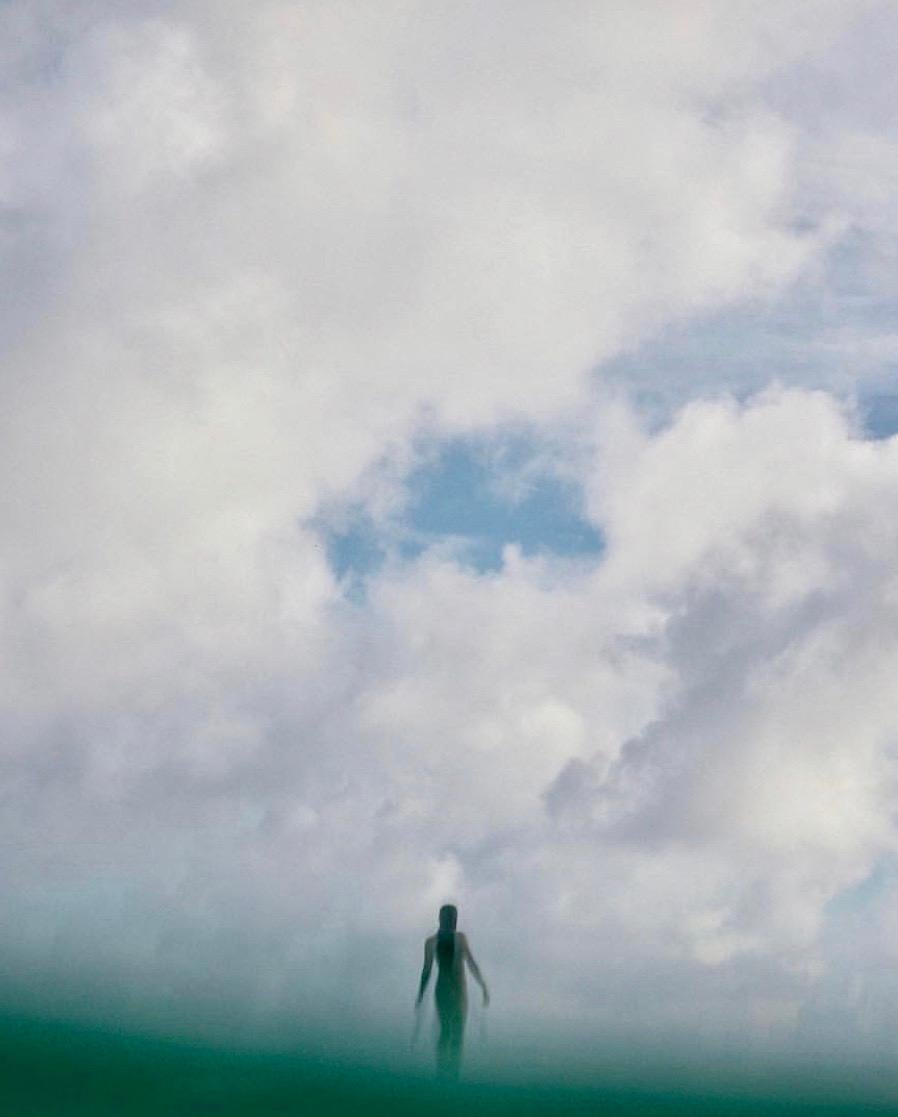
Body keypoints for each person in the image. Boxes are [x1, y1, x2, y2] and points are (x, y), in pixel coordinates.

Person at [415, 903, 489, 1079]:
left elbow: (471, 963)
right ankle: (444, 1073)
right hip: (448, 990)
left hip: (454, 990)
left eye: (452, 918)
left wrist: (483, 986)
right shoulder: (434, 942)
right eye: (449, 918)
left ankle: (450, 1073)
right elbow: (426, 970)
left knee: (452, 1032)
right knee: (449, 1031)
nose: (451, 921)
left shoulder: (455, 939)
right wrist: (420, 993)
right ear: (441, 919)